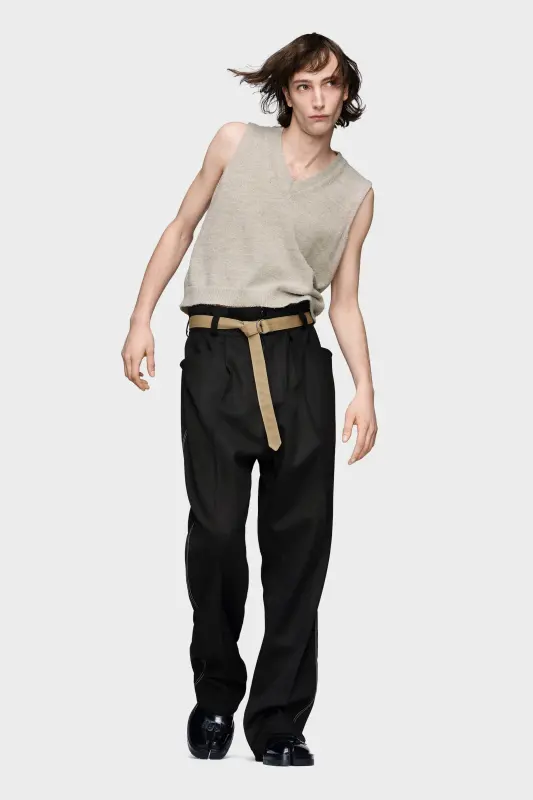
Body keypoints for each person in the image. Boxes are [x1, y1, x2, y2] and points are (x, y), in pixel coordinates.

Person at [121, 32, 378, 767]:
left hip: (298, 362)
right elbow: (181, 225)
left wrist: (365, 387)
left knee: (300, 545)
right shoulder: (235, 143)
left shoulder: (356, 194)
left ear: (346, 93)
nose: (318, 99)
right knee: (215, 531)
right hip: (217, 356)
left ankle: (278, 722)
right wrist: (140, 318)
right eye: (304, 85)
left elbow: (345, 300)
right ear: (286, 93)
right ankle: (214, 694)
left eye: (331, 85)